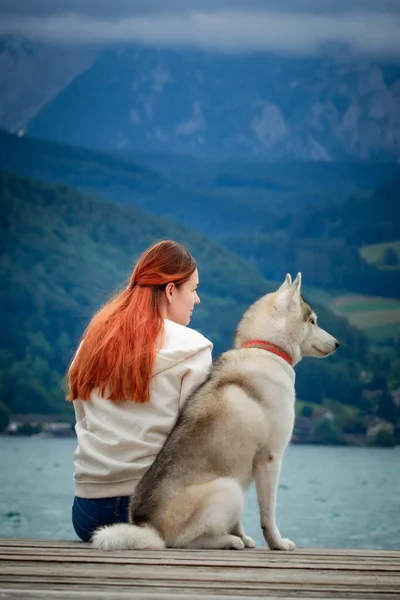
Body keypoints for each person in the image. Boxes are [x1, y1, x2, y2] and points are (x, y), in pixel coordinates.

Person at [67, 240, 213, 542]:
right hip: (157, 512)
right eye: (193, 289)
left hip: (89, 515)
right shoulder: (194, 347)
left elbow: (82, 420)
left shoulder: (92, 345)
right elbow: (196, 442)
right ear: (171, 290)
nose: (196, 299)